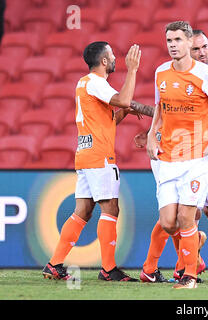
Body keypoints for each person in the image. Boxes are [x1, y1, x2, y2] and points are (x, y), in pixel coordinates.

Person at [147, 21, 208, 289]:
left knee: (188, 217)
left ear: (188, 42)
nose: (173, 45)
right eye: (169, 41)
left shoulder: (206, 75)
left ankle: (190, 277)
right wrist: (153, 134)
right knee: (169, 223)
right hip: (168, 158)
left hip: (197, 158)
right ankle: (192, 249)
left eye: (177, 40)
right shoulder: (161, 72)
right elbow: (159, 106)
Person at [42, 41, 142, 282]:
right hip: (100, 157)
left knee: (83, 210)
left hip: (86, 154)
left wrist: (123, 113)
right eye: (112, 55)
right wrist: (132, 69)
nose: (116, 58)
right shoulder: (97, 83)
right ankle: (108, 269)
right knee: (110, 208)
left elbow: (108, 121)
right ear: (104, 61)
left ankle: (54, 264)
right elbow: (124, 98)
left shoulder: (85, 84)